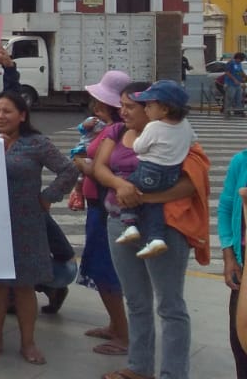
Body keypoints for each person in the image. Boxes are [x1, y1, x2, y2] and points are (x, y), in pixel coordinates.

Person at [94, 81, 210, 379]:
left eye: (132, 106)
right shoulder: (118, 131)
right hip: (119, 220)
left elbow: (192, 182)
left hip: (166, 226)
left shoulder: (179, 137)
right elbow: (100, 167)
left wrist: (145, 198)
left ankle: (173, 373)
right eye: (123, 105)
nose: (124, 111)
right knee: (136, 300)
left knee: (170, 304)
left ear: (155, 109)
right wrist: (121, 185)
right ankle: (139, 367)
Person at [0, 91, 78, 365]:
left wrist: (49, 196)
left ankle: (28, 342)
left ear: (22, 115)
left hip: (28, 224)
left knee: (24, 286)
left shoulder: (36, 143)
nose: (0, 116)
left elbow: (68, 170)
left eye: (7, 111)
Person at [71, 70, 132, 356]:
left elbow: (99, 167)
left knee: (106, 268)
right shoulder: (107, 128)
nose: (94, 104)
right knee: (103, 265)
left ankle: (121, 333)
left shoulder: (115, 131)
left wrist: (83, 166)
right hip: (99, 204)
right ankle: (115, 325)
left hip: (107, 208)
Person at [115, 80, 195, 258]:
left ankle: (129, 225)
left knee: (129, 188)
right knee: (155, 204)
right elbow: (192, 141)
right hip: (171, 175)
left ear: (165, 109)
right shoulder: (185, 126)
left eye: (149, 105)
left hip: (150, 170)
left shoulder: (154, 126)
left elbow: (138, 148)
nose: (146, 109)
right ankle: (156, 238)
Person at [222, 146, 247, 376]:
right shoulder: (241, 160)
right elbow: (226, 207)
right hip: (244, 265)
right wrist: (229, 256)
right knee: (240, 341)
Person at [226, 52, 247, 117]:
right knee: (230, 97)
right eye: (241, 59)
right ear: (237, 58)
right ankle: (227, 111)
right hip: (231, 84)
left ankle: (238, 111)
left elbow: (240, 71)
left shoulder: (239, 64)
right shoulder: (231, 63)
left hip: (238, 84)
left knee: (239, 98)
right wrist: (234, 80)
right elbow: (227, 72)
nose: (241, 61)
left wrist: (245, 77)